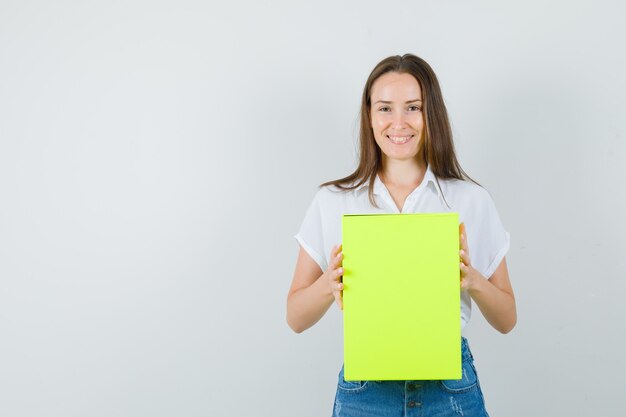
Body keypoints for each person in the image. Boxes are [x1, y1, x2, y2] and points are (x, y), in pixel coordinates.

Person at [286, 53, 516, 417]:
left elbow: (507, 319)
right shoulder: (334, 200)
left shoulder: (469, 200)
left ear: (431, 114)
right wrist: (328, 285)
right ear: (369, 116)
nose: (398, 122)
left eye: (413, 107)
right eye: (384, 108)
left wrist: (472, 280)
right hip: (366, 394)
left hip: (449, 392)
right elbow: (295, 317)